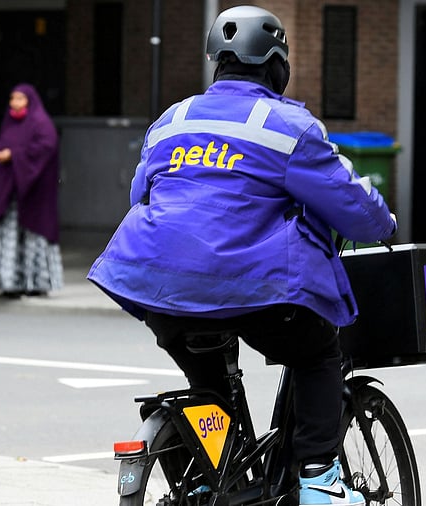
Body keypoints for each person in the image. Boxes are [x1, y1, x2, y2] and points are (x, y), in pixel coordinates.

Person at [88, 6, 396, 505]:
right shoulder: (289, 126)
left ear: (218, 65)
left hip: (156, 283)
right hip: (249, 286)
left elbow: (141, 194)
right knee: (319, 353)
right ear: (277, 66)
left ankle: (210, 477)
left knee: (209, 380)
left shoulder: (172, 120)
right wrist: (385, 225)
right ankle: (319, 477)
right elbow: (351, 202)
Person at [0, 83, 64, 299]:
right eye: (12, 99)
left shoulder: (40, 123)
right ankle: (9, 284)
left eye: (20, 99)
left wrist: (13, 155)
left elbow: (46, 148)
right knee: (9, 236)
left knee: (34, 237)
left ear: (30, 101)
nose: (15, 103)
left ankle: (35, 284)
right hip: (10, 194)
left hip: (34, 195)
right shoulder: (9, 123)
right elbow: (2, 146)